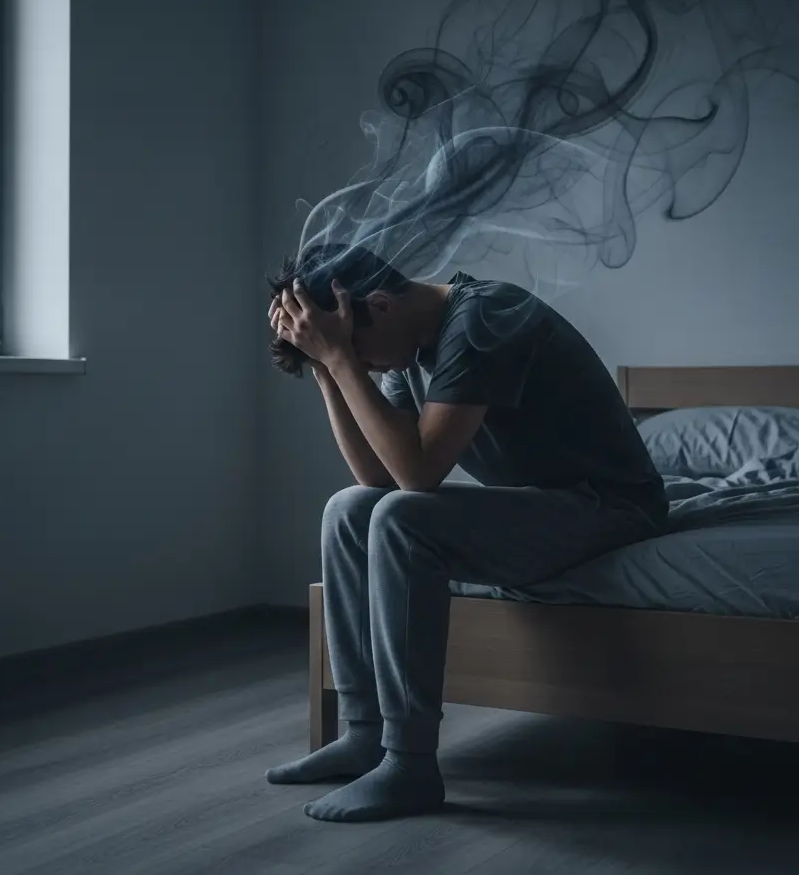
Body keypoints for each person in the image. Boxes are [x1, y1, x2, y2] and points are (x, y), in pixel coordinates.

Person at [263, 244, 668, 823]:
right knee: (349, 509)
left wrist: (342, 360)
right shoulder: (406, 345)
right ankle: (364, 734)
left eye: (357, 352)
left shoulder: (482, 320)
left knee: (402, 521)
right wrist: (328, 367)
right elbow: (377, 475)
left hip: (612, 505)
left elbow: (417, 475)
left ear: (381, 305)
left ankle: (409, 763)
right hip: (541, 504)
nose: (366, 368)